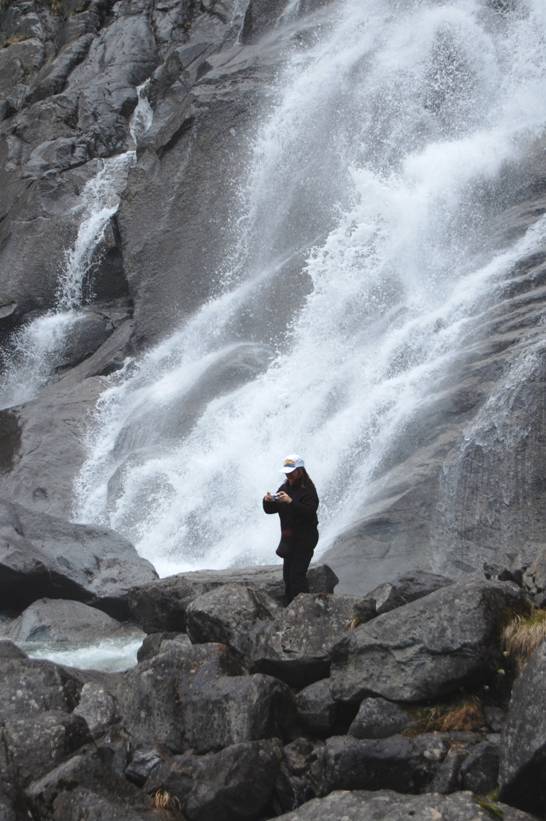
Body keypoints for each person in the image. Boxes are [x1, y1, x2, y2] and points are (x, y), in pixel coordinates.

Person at [263, 454, 319, 604]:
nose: (289, 475)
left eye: (292, 472)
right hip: (289, 538)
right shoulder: (284, 487)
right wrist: (267, 501)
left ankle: (304, 608)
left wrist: (291, 502)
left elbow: (309, 512)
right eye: (286, 472)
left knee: (297, 576)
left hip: (305, 538)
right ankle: (290, 608)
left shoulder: (308, 490)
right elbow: (270, 510)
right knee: (287, 576)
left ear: (300, 471)